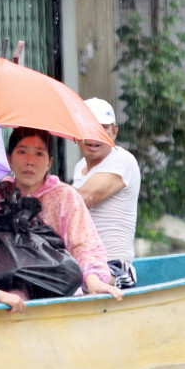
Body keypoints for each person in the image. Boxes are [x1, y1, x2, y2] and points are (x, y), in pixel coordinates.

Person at [0, 127, 123, 300]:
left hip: (54, 292)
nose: (30, 161)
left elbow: (84, 247)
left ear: (49, 163)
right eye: (22, 151)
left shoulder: (65, 198)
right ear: (9, 159)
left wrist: (94, 281)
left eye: (39, 154)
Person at [72, 98, 141, 288]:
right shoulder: (80, 168)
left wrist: (35, 188)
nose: (94, 137)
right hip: (82, 265)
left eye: (103, 128)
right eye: (88, 128)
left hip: (114, 267)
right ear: (76, 133)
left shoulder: (122, 160)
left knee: (72, 281)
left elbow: (79, 200)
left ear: (114, 131)